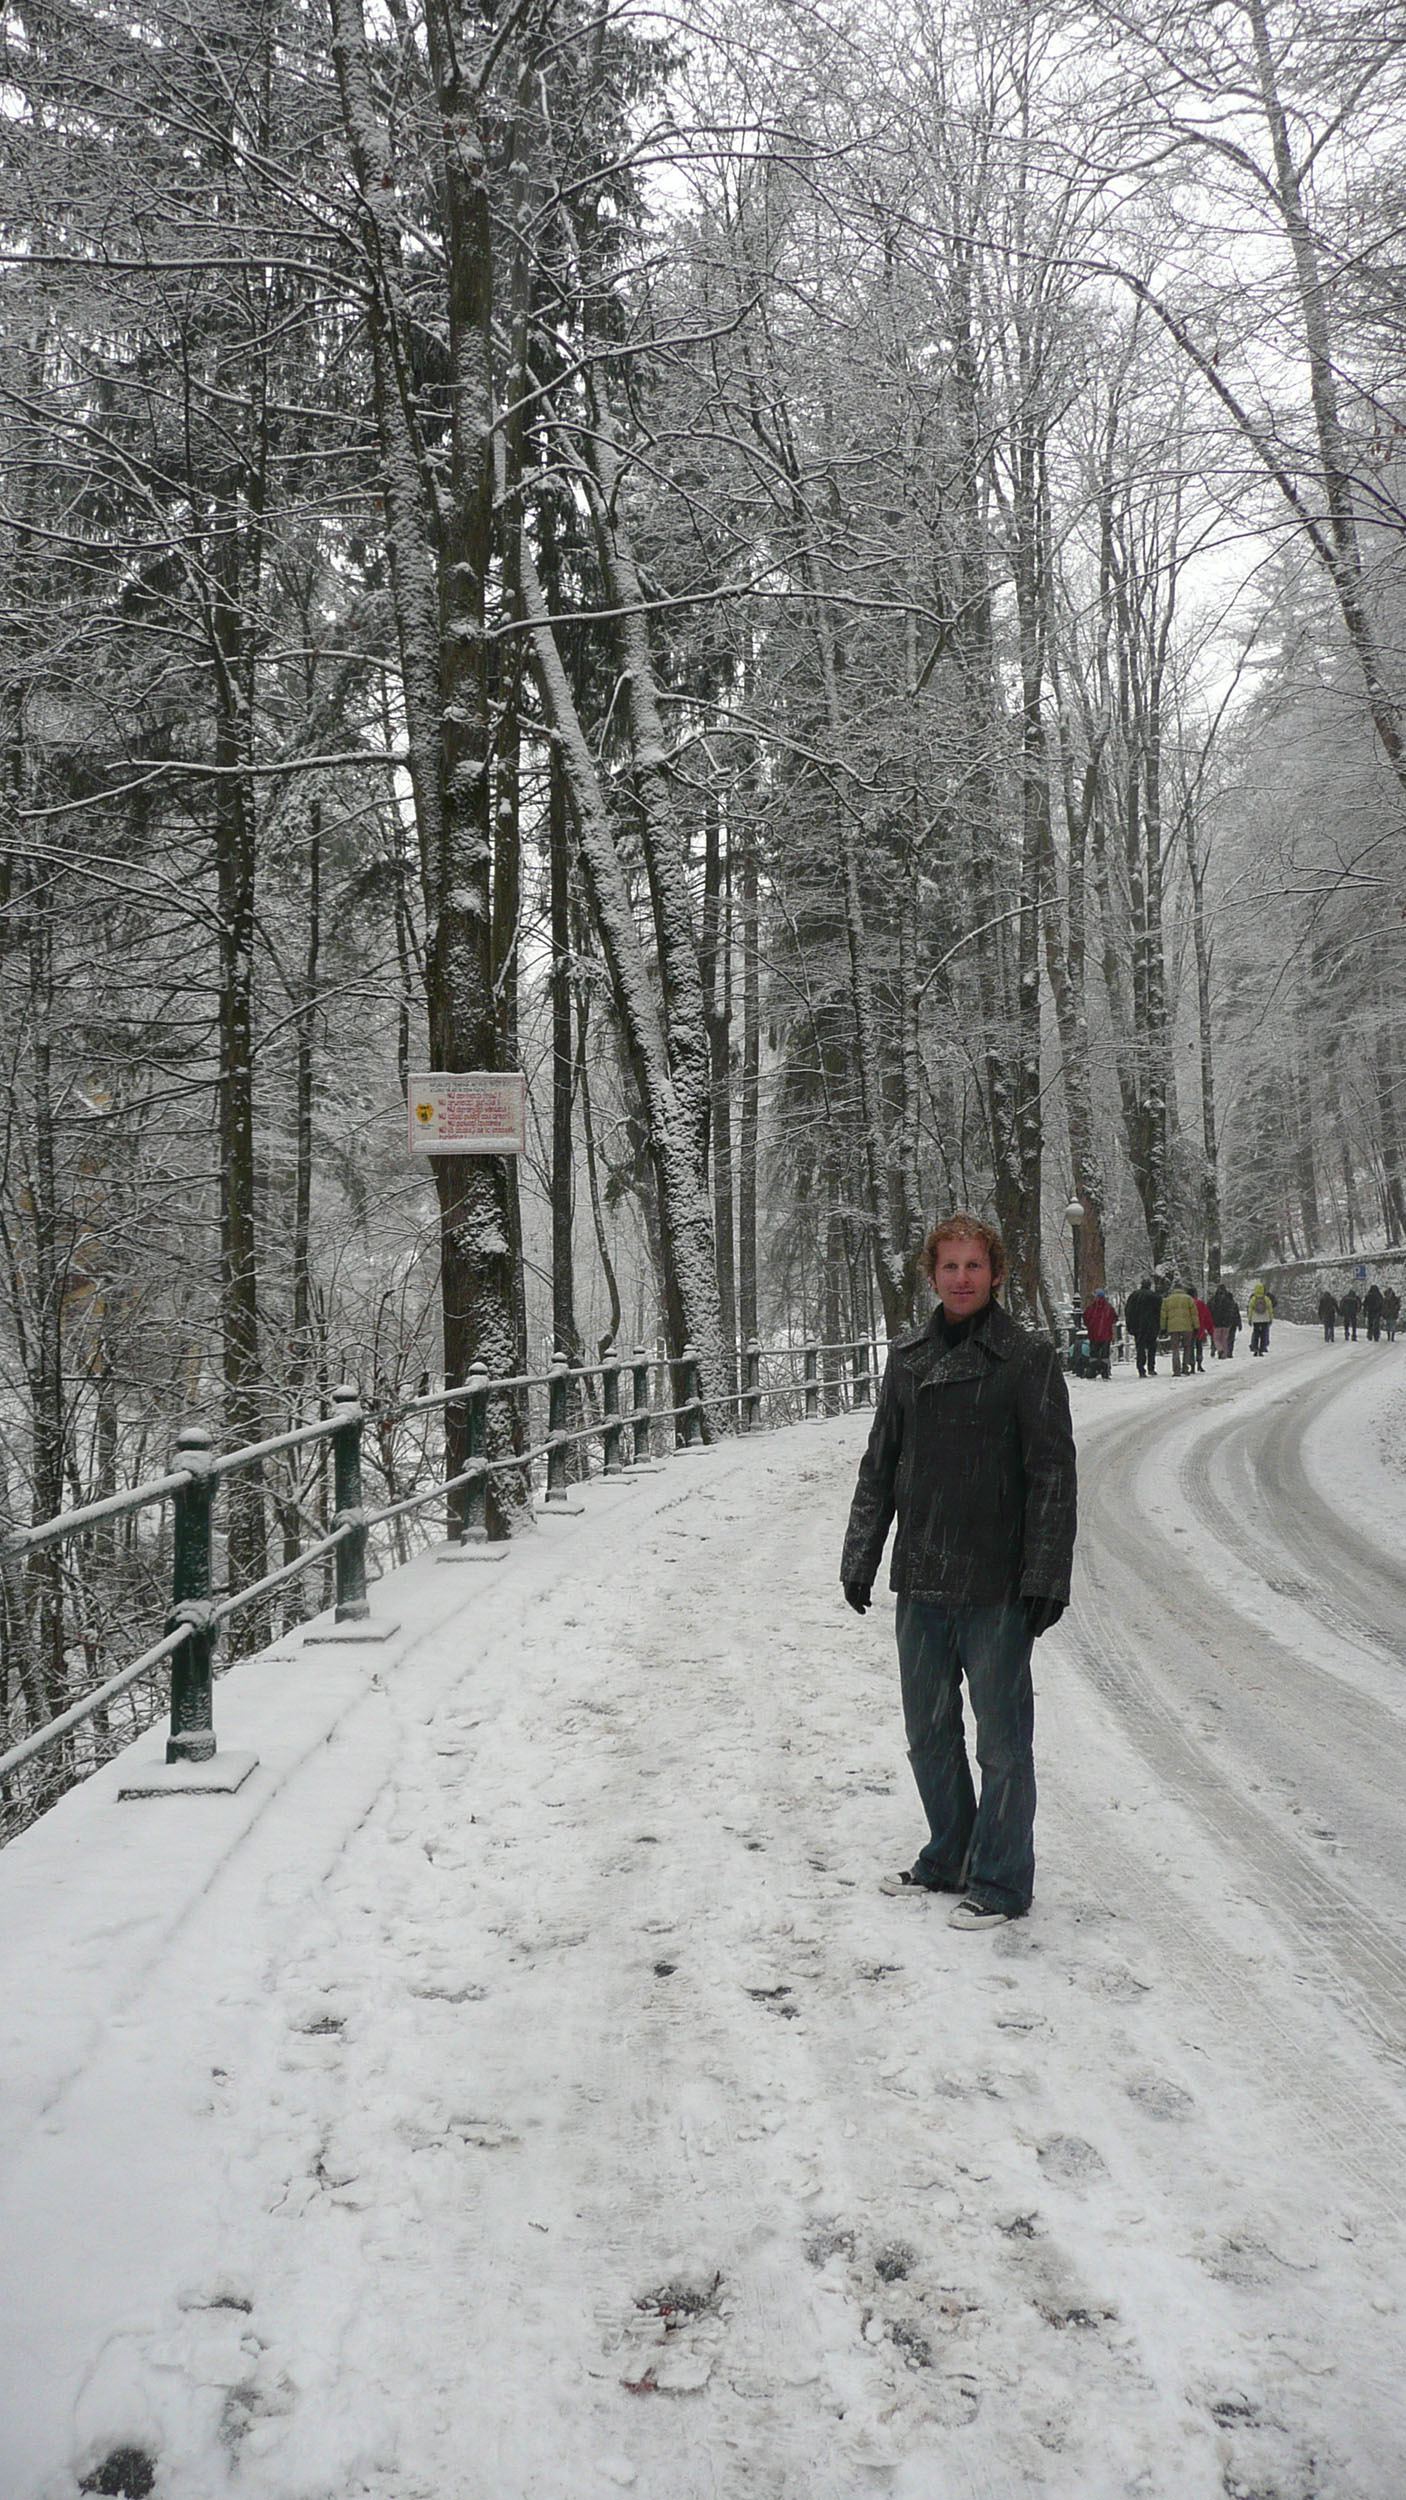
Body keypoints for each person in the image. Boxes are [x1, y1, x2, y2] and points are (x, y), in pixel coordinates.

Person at [840, 1212, 1077, 1932]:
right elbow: (881, 1460)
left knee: (1001, 1744)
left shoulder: (1026, 1358)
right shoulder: (908, 1357)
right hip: (923, 1576)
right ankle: (949, 1853)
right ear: (931, 1273)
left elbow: (1052, 1475)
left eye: (975, 1266)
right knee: (929, 1733)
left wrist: (1045, 1576)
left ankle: (1002, 1881)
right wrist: (861, 1552)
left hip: (997, 1583)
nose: (963, 1278)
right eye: (950, 1266)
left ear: (996, 1273)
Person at [1160, 1280, 1199, 1377]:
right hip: (1187, 1326)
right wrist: (1196, 1326)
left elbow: (1163, 1315)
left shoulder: (1167, 1300)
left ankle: (1176, 1370)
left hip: (1173, 1327)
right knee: (1187, 1347)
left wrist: (1163, 1327)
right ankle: (1185, 1367)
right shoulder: (1188, 1299)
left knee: (1175, 1348)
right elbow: (1194, 1314)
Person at [1125, 1277, 1161, 1377]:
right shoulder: (1155, 1296)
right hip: (1151, 1326)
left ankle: (1141, 1368)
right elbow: (1159, 1312)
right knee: (1152, 1347)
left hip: (1138, 1326)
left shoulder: (1134, 1296)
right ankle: (1151, 1367)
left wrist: (1130, 1325)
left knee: (1140, 1347)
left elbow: (1128, 1311)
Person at [1082, 1288, 1116, 1380]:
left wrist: (1090, 1326)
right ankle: (1105, 1371)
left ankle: (1093, 1371)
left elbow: (1085, 1319)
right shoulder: (1109, 1308)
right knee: (1105, 1354)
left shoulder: (1091, 1308)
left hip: (1094, 1334)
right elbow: (1114, 1318)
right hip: (1106, 1335)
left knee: (1093, 1353)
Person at [1210, 1280, 1240, 1359]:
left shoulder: (1213, 1300)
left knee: (1216, 1338)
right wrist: (1235, 1322)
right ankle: (1224, 1354)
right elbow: (1234, 1311)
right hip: (1227, 1323)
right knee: (1224, 1338)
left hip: (1216, 1322)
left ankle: (1220, 1349)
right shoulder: (1230, 1299)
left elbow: (1209, 1310)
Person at [1247, 1279, 1274, 1355]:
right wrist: (1271, 1318)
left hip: (1256, 1319)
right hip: (1265, 1319)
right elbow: (1270, 1309)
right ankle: (1262, 1348)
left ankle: (1255, 1347)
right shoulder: (1266, 1299)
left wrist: (1250, 1319)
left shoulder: (1253, 1299)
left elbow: (1250, 1309)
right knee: (1264, 1334)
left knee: (1256, 1333)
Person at [1193, 1292, 1214, 1371]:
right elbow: (1207, 1317)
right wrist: (1210, 1330)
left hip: (1187, 1328)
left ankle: (1189, 1364)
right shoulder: (1200, 1304)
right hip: (1199, 1328)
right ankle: (1199, 1364)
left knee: (1189, 1347)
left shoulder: (1184, 1303)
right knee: (1199, 1346)